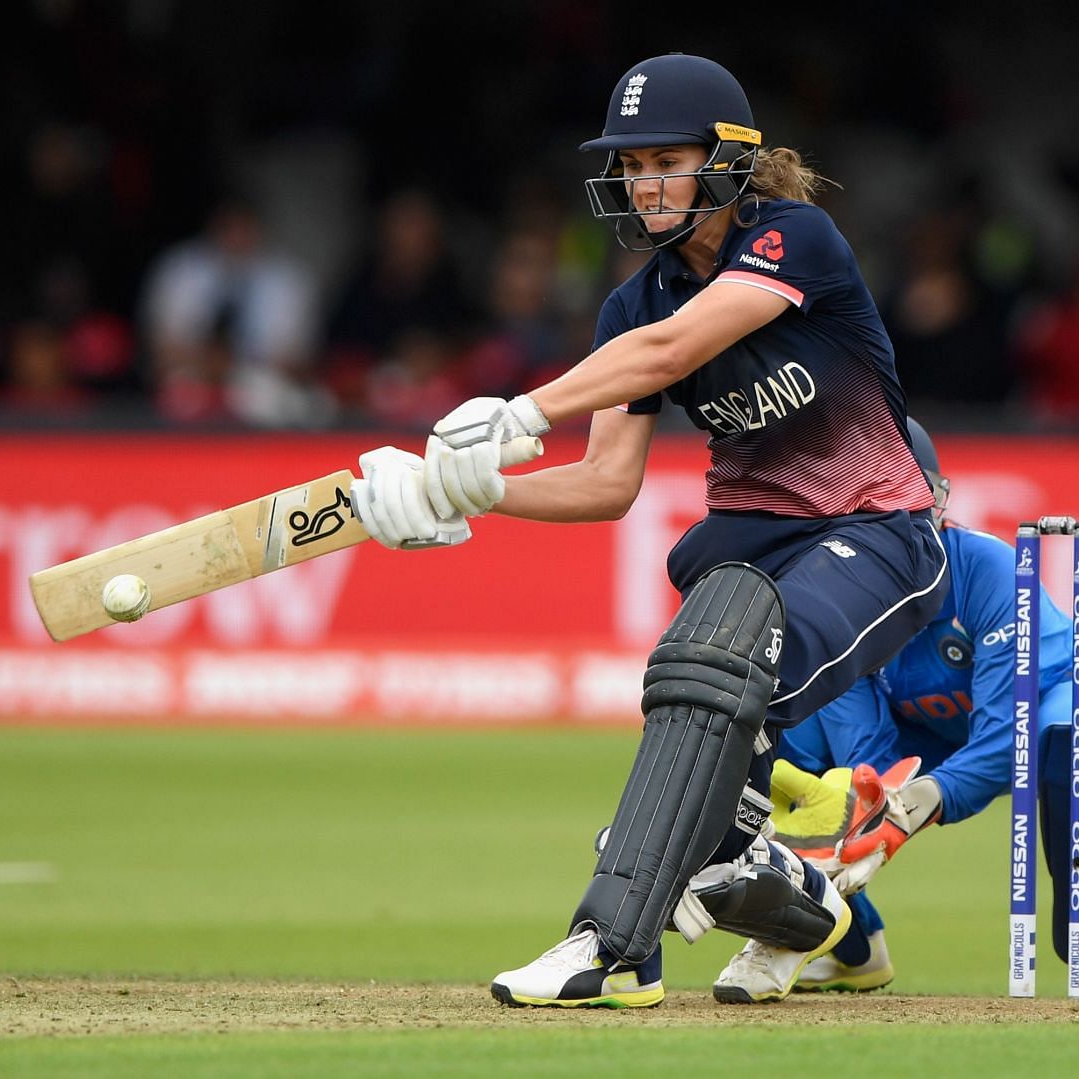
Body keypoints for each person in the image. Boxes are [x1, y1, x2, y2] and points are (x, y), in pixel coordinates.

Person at [350, 54, 949, 1008]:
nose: (642, 182)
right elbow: (603, 483)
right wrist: (459, 491)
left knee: (715, 669)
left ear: (728, 159)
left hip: (880, 529)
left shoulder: (796, 237)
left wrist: (515, 416)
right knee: (706, 776)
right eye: (630, 165)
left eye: (665, 159)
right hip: (752, 541)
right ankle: (815, 912)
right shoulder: (634, 303)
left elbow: (675, 351)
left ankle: (615, 944)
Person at [765, 419, 1079, 996]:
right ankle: (844, 943)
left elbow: (1000, 744)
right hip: (930, 733)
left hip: (1047, 710)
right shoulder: (841, 600)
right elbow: (866, 751)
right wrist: (874, 805)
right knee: (784, 739)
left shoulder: (989, 571)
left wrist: (914, 805)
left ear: (939, 501)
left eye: (913, 501)